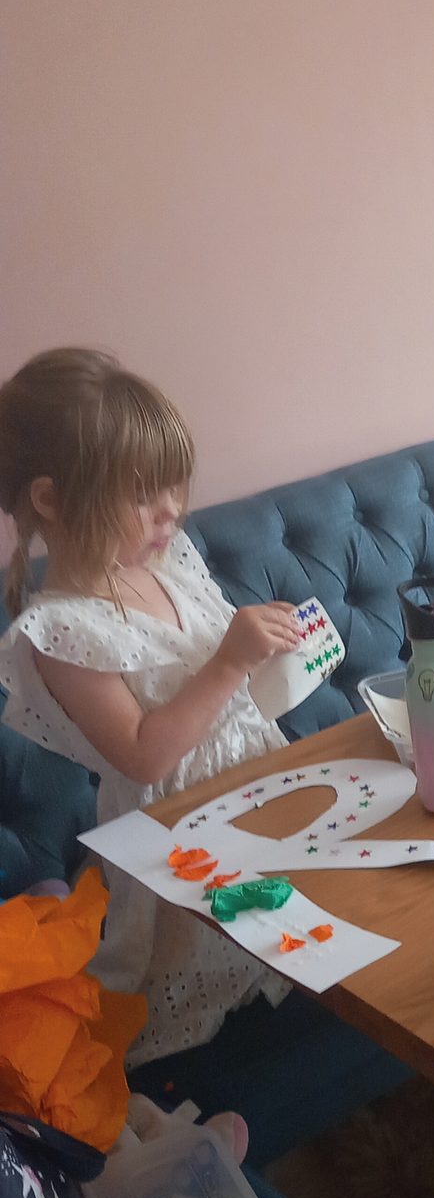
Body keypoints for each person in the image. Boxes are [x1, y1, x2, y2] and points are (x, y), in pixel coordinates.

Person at [0, 347, 302, 1066]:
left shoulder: (169, 562)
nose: (174, 511)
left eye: (173, 487)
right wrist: (230, 660)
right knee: (191, 973)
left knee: (284, 940)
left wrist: (269, 653)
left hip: (250, 787)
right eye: (145, 495)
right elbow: (143, 753)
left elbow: (223, 687)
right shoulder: (61, 629)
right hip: (178, 832)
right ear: (51, 500)